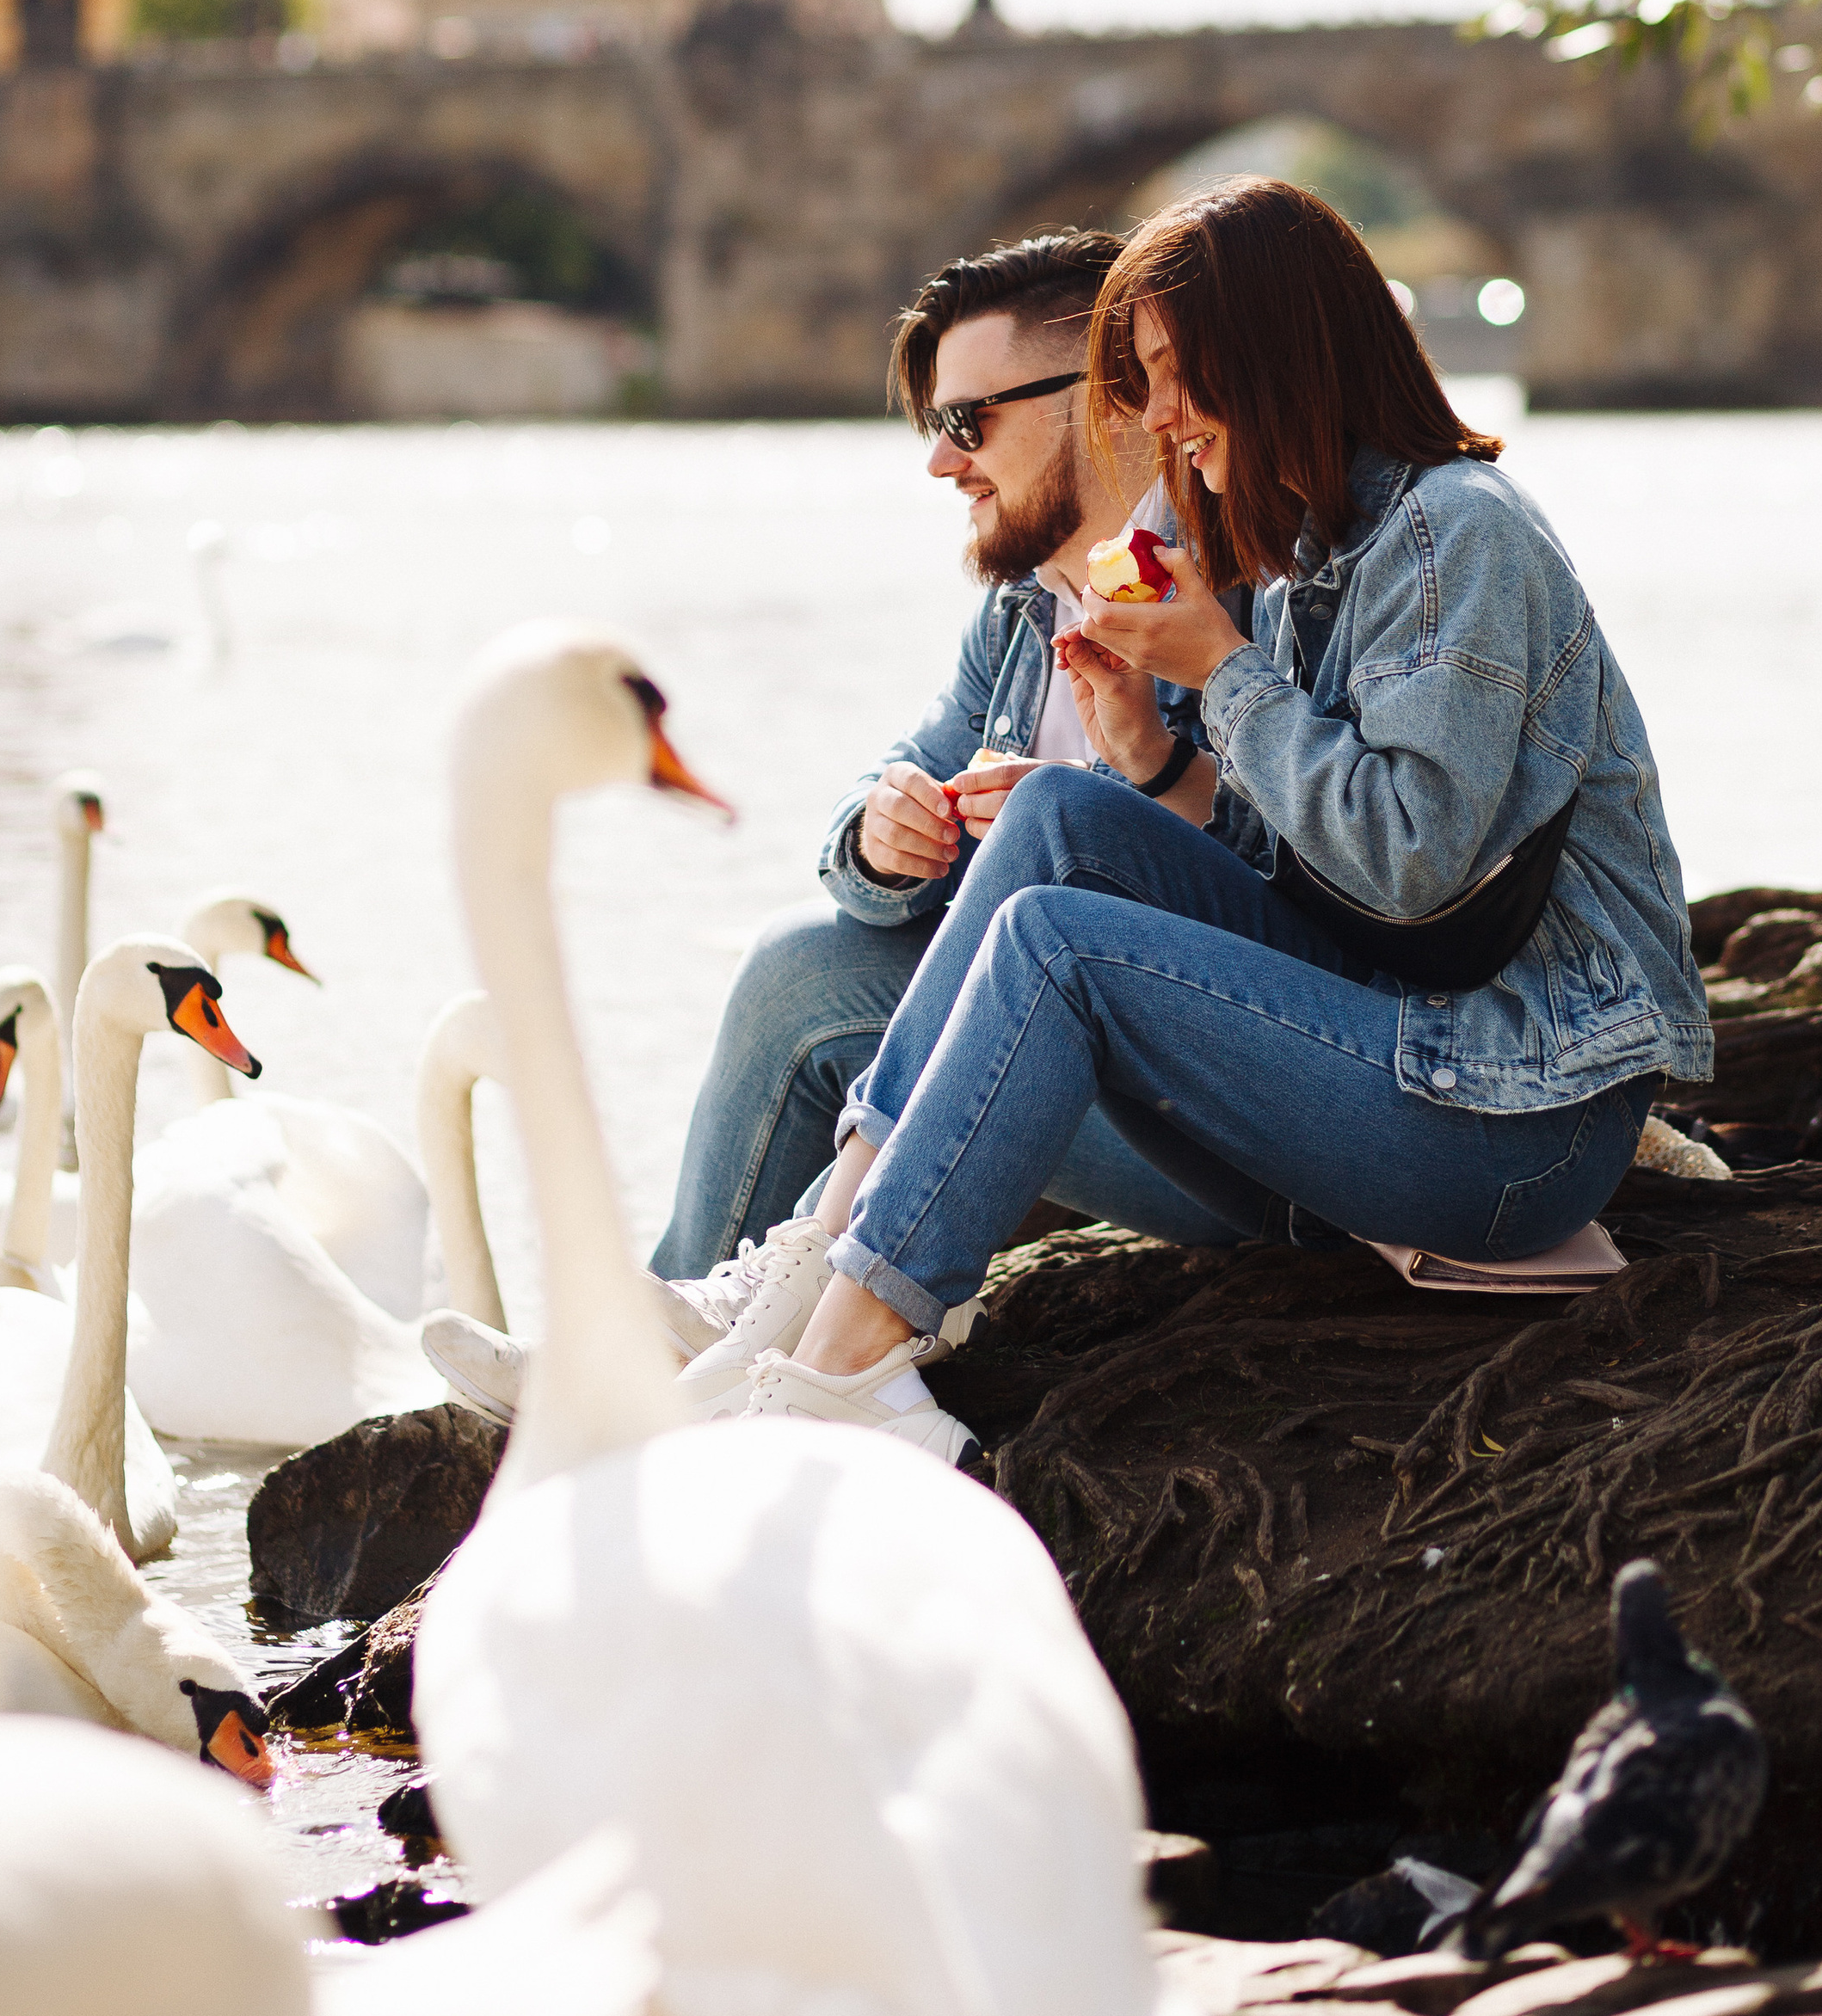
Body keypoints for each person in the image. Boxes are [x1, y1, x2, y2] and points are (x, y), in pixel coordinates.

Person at [736, 177, 1714, 1462]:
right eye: (1139, 381)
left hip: (1520, 1127)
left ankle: (842, 1364)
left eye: (1175, 376)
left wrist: (1224, 672)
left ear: (1283, 353)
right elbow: (1301, 872)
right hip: (1398, 1055)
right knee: (1065, 823)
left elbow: (1408, 863)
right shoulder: (1324, 552)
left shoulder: (1456, 538)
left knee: (1057, 945)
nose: (1158, 419)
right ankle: (816, 1282)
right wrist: (1149, 752)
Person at [422, 225, 1241, 1427]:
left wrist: (1097, 825)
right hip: (1061, 1061)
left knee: (814, 987)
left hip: (1205, 1092)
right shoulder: (1026, 612)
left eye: (970, 422)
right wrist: (884, 839)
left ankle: (678, 1355)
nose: (941, 466)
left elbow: (1294, 891)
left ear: (1108, 400)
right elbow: (879, 801)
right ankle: (675, 1325)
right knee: (803, 953)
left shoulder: (1239, 586)